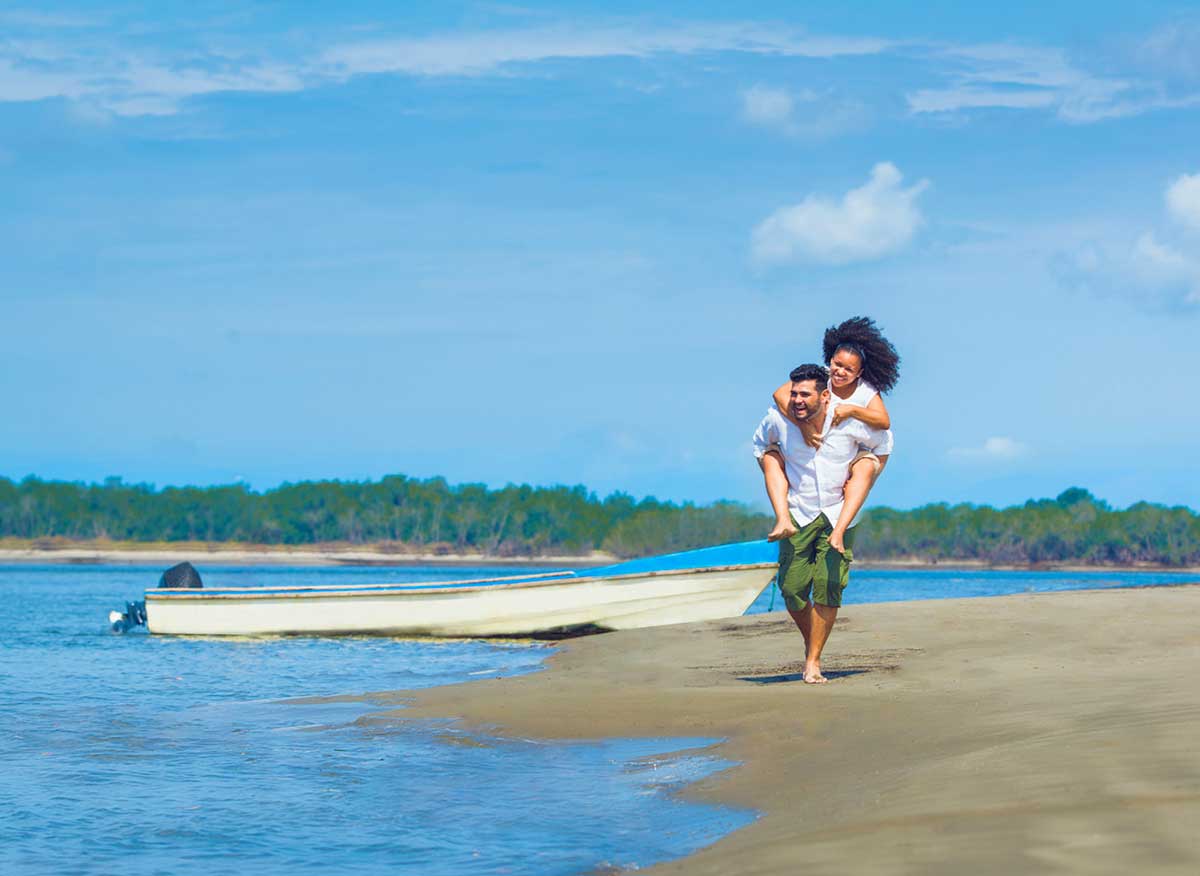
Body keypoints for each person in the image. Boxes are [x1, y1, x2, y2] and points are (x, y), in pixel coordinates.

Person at [752, 363, 893, 683]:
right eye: (794, 394)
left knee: (829, 586)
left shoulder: (847, 422)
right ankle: (812, 641)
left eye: (805, 395)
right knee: (791, 589)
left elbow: (883, 442)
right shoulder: (779, 420)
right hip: (798, 511)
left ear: (825, 396)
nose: (797, 400)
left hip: (837, 512)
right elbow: (760, 445)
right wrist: (772, 461)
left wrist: (866, 470)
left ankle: (813, 661)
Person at [764, 316, 901, 554]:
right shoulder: (821, 378)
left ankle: (838, 532)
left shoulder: (865, 392)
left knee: (861, 473)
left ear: (859, 373)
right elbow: (779, 395)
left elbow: (884, 421)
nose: (840, 372)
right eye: (837, 365)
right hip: (823, 454)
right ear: (830, 360)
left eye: (849, 369)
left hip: (860, 452)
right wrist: (803, 425)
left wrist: (853, 410)